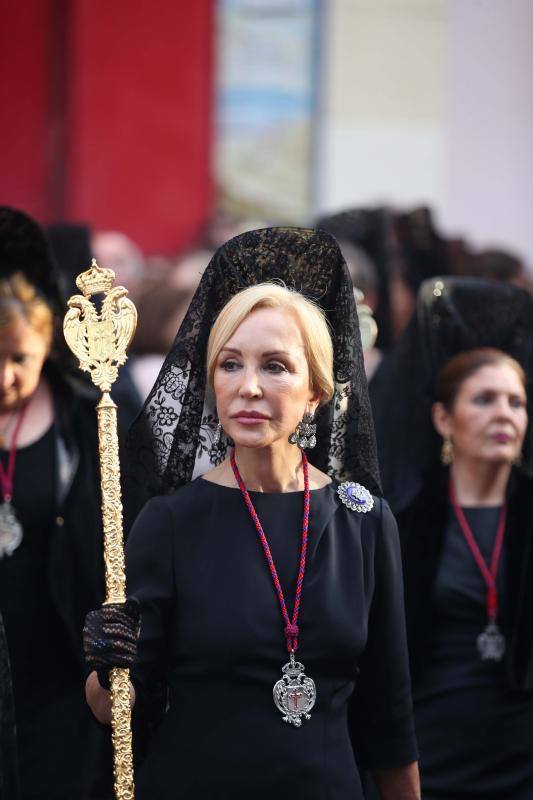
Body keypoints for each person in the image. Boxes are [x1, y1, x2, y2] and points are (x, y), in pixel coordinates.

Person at [84, 227, 420, 799]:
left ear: (316, 390)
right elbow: (119, 712)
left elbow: (388, 720)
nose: (248, 388)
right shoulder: (170, 522)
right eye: (230, 364)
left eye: (276, 367)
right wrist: (106, 667)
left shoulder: (363, 521)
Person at [373, 276, 533, 798]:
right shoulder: (408, 517)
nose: (504, 415)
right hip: (432, 754)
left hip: (521, 758)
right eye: (484, 400)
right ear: (444, 417)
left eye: (516, 402)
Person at [0, 207, 112, 800]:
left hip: (58, 674)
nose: (4, 378)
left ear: (46, 343)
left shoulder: (85, 422)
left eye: (19, 358)